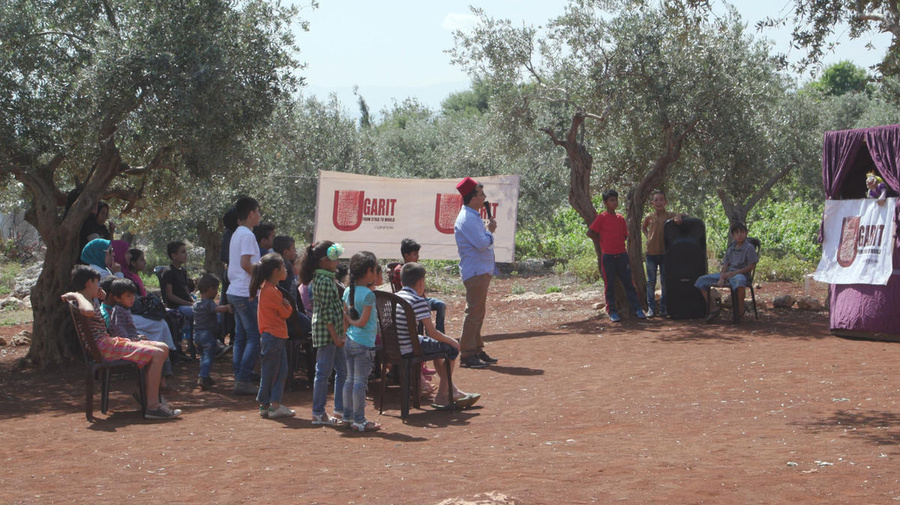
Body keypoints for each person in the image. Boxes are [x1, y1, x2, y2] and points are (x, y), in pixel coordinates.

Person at [62, 265, 180, 420]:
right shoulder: (82, 300)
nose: (99, 287)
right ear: (89, 283)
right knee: (157, 353)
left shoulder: (89, 298)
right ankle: (152, 407)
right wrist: (77, 295)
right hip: (103, 347)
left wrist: (97, 295)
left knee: (162, 347)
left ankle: (145, 395)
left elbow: (95, 306)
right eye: (97, 283)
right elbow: (88, 312)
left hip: (107, 343)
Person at [396, 262, 481, 409]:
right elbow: (432, 332)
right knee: (451, 349)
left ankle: (452, 390)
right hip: (410, 346)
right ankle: (443, 396)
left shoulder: (394, 297)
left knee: (437, 350)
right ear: (421, 282)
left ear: (402, 281)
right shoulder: (418, 300)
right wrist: (454, 342)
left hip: (395, 347)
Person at [453, 177, 499, 369]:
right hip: (476, 271)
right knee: (473, 312)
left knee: (478, 312)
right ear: (472, 199)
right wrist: (490, 232)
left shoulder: (472, 216)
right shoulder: (467, 218)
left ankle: (476, 349)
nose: (484, 198)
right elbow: (481, 244)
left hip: (480, 270)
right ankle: (467, 353)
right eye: (481, 195)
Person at [299, 240, 347, 426]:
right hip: (329, 335)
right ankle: (318, 412)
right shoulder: (324, 281)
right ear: (324, 261)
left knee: (341, 371)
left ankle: (339, 411)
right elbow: (327, 313)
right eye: (334, 258)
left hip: (333, 334)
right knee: (324, 372)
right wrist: (336, 337)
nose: (337, 262)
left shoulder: (324, 279)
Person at [586, 189, 647, 323]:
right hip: (608, 256)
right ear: (605, 203)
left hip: (621, 255)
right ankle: (612, 311)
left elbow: (625, 235)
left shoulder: (620, 218)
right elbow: (589, 232)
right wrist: (601, 240)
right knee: (610, 285)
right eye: (611, 200)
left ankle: (637, 309)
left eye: (615, 200)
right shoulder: (601, 217)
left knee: (628, 283)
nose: (614, 202)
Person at [251, 253, 296, 420]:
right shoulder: (272, 291)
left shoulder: (266, 289)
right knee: (275, 371)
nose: (285, 270)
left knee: (273, 370)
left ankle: (267, 405)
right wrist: (288, 306)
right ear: (276, 271)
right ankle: (273, 405)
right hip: (274, 336)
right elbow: (285, 313)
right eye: (283, 267)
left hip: (273, 336)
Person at [341, 251, 382, 432]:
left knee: (349, 380)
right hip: (364, 344)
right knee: (359, 382)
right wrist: (351, 322)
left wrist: (345, 332)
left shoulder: (349, 290)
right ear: (367, 272)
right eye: (374, 271)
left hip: (350, 341)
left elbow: (346, 319)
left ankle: (347, 417)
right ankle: (359, 420)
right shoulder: (369, 295)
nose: (375, 275)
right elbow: (363, 321)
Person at [227, 197, 263, 395]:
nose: (259, 215)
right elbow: (245, 264)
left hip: (235, 291)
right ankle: (243, 377)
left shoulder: (236, 234)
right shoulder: (248, 235)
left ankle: (240, 372)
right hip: (245, 292)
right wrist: (261, 279)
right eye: (258, 211)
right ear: (251, 213)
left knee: (241, 336)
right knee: (253, 336)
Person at [694, 222, 759, 323]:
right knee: (700, 281)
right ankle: (713, 308)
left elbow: (751, 266)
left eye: (742, 232)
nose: (740, 235)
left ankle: (740, 311)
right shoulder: (731, 248)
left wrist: (735, 273)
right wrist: (722, 277)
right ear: (733, 235)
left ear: (746, 233)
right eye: (737, 233)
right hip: (728, 274)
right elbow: (726, 265)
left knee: (739, 282)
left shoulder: (749, 248)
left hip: (741, 274)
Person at [640, 190, 684, 318]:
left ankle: (664, 308)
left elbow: (682, 215)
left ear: (665, 202)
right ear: (653, 203)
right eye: (656, 200)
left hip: (665, 253)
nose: (659, 202)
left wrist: (679, 216)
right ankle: (651, 308)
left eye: (661, 200)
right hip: (651, 253)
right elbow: (643, 227)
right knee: (651, 281)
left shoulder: (669, 215)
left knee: (665, 281)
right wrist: (648, 237)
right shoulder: (649, 216)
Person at [392, 238, 447, 333]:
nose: (417, 256)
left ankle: (439, 334)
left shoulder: (416, 268)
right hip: (410, 301)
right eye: (415, 254)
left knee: (440, 304)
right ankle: (425, 334)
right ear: (406, 256)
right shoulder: (400, 270)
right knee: (426, 305)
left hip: (422, 298)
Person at [193, 274, 233, 390]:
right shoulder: (209, 303)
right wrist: (226, 307)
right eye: (216, 289)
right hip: (207, 335)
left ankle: (205, 375)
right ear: (211, 290)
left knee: (202, 356)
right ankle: (203, 376)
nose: (216, 293)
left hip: (197, 335)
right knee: (209, 356)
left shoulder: (196, 305)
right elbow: (217, 309)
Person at [161, 241, 196, 346]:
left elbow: (185, 290)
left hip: (187, 303)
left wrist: (193, 301)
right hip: (178, 306)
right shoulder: (169, 272)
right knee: (199, 312)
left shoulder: (183, 271)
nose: (186, 254)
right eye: (182, 252)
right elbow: (170, 296)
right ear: (174, 256)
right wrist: (189, 304)